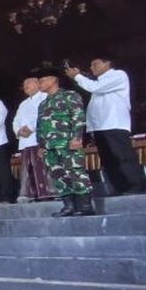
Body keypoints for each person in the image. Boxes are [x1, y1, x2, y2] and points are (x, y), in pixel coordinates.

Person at [68, 57, 146, 195]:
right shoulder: (97, 81)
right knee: (108, 159)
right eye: (91, 65)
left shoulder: (118, 75)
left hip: (114, 123)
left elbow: (96, 87)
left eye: (95, 64)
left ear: (108, 63)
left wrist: (78, 76)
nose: (92, 67)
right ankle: (119, 187)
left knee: (122, 156)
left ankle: (136, 186)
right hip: (100, 126)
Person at [36, 69, 95, 216]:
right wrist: (41, 145)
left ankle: (85, 206)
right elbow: (40, 126)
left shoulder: (69, 95)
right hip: (49, 146)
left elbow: (78, 116)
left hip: (67, 142)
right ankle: (69, 206)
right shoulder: (43, 103)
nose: (40, 84)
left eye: (42, 80)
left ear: (53, 80)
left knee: (75, 172)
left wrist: (77, 137)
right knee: (58, 175)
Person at [13, 77, 57, 202]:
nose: (25, 86)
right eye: (24, 84)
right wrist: (18, 131)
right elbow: (16, 120)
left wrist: (30, 128)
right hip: (25, 140)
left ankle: (49, 192)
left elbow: (44, 115)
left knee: (43, 167)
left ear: (38, 84)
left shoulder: (45, 97)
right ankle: (29, 194)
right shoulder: (23, 103)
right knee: (28, 169)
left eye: (28, 83)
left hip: (39, 138)